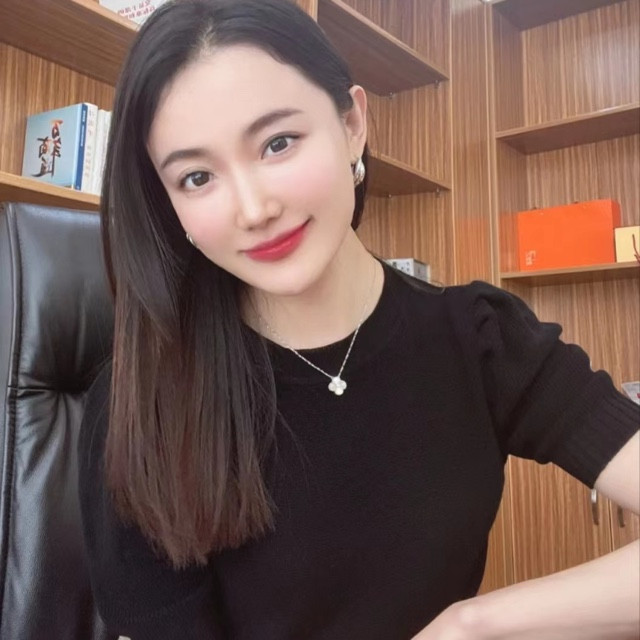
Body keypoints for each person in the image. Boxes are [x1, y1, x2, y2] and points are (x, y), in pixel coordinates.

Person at [77, 0, 640, 638]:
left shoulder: (481, 338)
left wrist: (474, 625)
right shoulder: (141, 400)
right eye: (197, 177)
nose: (254, 210)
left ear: (351, 124)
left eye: (278, 143)